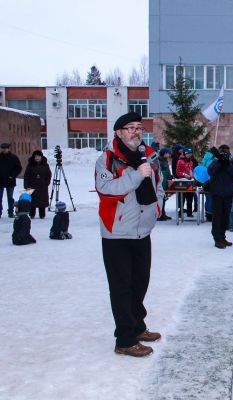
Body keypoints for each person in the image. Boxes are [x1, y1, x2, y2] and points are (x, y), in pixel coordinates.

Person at [95, 111, 164, 357]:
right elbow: (105, 189)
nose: (136, 131)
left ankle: (137, 327)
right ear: (119, 132)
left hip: (142, 232)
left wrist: (157, 208)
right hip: (117, 234)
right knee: (121, 287)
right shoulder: (107, 159)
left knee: (139, 283)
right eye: (130, 127)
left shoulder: (150, 157)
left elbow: (159, 185)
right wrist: (136, 175)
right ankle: (124, 339)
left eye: (139, 127)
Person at [207, 145, 233, 248]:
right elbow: (210, 172)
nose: (225, 154)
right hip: (217, 194)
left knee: (225, 217)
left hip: (228, 194)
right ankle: (217, 239)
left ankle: (222, 237)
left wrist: (226, 164)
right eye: (223, 152)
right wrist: (220, 162)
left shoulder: (231, 163)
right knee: (217, 217)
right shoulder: (215, 162)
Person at [23, 150, 52, 219]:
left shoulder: (45, 165)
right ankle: (32, 214)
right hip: (32, 185)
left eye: (38, 156)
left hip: (42, 186)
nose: (37, 158)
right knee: (32, 201)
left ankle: (42, 215)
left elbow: (49, 174)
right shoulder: (30, 165)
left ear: (41, 157)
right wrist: (26, 185)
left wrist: (46, 182)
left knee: (42, 201)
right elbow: (26, 175)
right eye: (36, 156)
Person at [0, 142, 22, 218]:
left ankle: (10, 212)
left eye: (5, 148)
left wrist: (12, 176)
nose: (4, 150)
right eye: (2, 148)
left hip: (10, 180)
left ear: (8, 149)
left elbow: (18, 168)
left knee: (10, 197)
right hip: (0, 180)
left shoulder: (13, 157)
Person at [176, 148, 195, 217]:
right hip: (183, 181)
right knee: (182, 197)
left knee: (190, 197)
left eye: (190, 153)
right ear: (185, 154)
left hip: (190, 181)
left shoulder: (191, 161)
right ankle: (180, 212)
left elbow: (191, 170)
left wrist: (192, 175)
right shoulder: (180, 161)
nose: (189, 155)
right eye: (188, 153)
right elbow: (177, 172)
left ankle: (189, 212)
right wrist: (184, 174)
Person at [157, 148, 172, 221]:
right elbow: (162, 172)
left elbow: (167, 170)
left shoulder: (165, 160)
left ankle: (163, 214)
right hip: (162, 182)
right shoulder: (160, 161)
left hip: (165, 181)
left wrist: (170, 177)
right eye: (168, 153)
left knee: (164, 198)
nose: (169, 154)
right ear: (164, 153)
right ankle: (160, 215)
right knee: (161, 198)